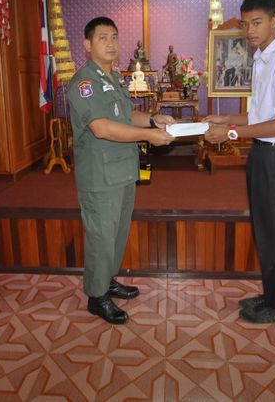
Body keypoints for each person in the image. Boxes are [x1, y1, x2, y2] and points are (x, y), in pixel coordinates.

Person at [203, 0, 275, 324]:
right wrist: (225, 119)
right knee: (265, 231)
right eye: (246, 24)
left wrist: (230, 133)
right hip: (264, 154)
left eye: (257, 23)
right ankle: (271, 295)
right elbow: (260, 116)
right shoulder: (263, 59)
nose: (249, 30)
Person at [68, 16, 176, 324]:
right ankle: (96, 295)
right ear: (87, 45)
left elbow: (126, 115)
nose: (111, 43)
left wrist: (154, 120)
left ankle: (107, 280)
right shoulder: (84, 83)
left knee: (116, 234)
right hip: (100, 176)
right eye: (102, 38)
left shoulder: (113, 77)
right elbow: (101, 128)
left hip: (122, 171)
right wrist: (148, 136)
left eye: (114, 37)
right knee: (101, 237)